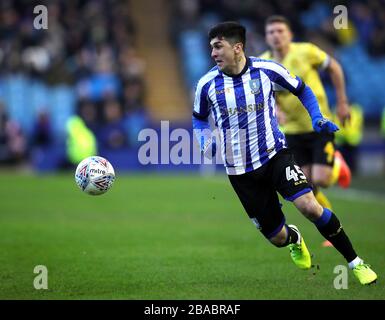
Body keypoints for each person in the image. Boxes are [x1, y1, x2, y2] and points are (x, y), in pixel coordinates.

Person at [192, 21, 377, 285]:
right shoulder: (207, 84)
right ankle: (294, 239)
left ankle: (356, 262)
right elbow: (198, 119)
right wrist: (203, 140)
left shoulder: (266, 70)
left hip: (275, 155)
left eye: (218, 47)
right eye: (211, 48)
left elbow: (301, 88)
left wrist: (317, 117)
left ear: (237, 47)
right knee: (277, 238)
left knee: (310, 207)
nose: (213, 54)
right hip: (241, 172)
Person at [259, 15, 351, 218]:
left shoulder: (306, 51)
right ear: (266, 37)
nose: (276, 36)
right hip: (292, 130)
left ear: (290, 34)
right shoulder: (263, 64)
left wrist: (343, 102)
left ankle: (337, 163)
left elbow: (334, 67)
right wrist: (277, 110)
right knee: (306, 183)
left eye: (280, 31)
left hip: (319, 124)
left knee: (322, 179)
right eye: (271, 32)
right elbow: (267, 95)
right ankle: (330, 220)